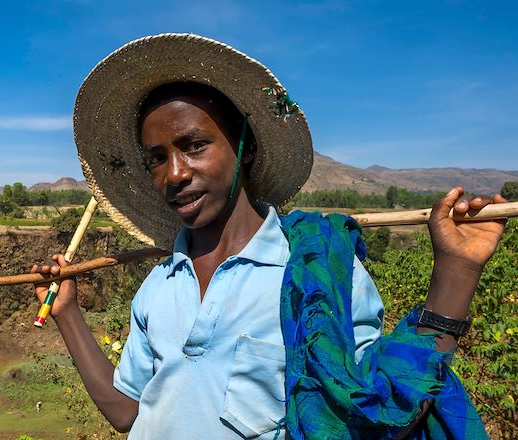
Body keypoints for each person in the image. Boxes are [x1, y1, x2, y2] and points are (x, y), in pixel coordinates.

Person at [31, 33, 507, 439]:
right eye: (157, 157)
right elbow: (126, 413)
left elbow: (384, 409)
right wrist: (68, 313)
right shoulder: (159, 286)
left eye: (194, 146)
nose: (173, 174)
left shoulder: (314, 277)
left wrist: (457, 269)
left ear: (246, 148)